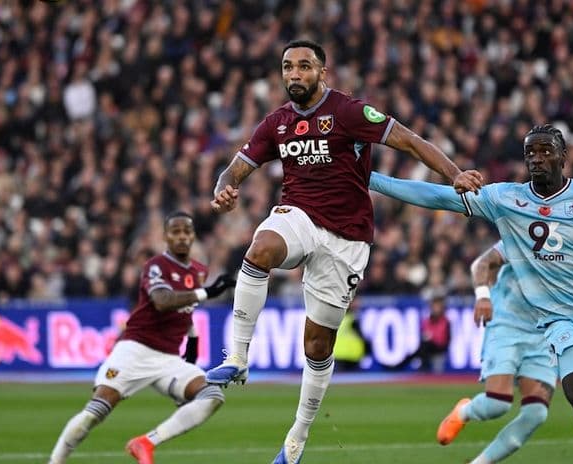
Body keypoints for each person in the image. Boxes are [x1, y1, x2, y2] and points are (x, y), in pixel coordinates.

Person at [205, 38, 484, 464]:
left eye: (303, 66)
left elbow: (409, 141)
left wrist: (454, 173)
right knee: (260, 248)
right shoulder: (276, 123)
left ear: (323, 72)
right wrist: (224, 186)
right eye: (287, 67)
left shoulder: (350, 112)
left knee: (316, 347)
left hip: (347, 240)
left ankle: (297, 438)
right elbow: (237, 167)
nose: (294, 74)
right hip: (298, 216)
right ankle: (238, 357)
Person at [368, 124, 573, 464]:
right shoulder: (506, 199)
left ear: (565, 157)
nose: (537, 158)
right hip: (566, 326)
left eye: (546, 151)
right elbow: (434, 197)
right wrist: (367, 177)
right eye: (530, 152)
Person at [48, 212, 235, 464]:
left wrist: (191, 346)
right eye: (175, 231)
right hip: (134, 350)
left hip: (167, 359)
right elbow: (162, 302)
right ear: (165, 237)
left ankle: (146, 442)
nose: (181, 236)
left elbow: (186, 311)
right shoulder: (156, 266)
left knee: (212, 396)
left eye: (186, 232)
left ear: (193, 237)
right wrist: (208, 292)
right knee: (95, 413)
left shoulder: (198, 271)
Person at [436, 241, 556, 463]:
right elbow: (481, 264)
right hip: (507, 324)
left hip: (544, 333)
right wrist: (483, 296)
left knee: (536, 413)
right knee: (497, 404)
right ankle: (464, 411)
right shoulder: (526, 230)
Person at [393, 288, 451, 373]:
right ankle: (416, 365)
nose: (436, 308)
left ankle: (404, 365)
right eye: (434, 306)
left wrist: (431, 336)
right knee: (423, 346)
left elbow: (443, 340)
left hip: (439, 348)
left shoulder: (445, 321)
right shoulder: (427, 320)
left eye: (438, 306)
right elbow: (424, 334)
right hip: (427, 348)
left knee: (423, 347)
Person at [332, 300, 370, 372]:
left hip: (338, 354)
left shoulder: (336, 318)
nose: (357, 304)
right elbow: (362, 337)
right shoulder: (353, 319)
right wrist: (367, 349)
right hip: (352, 355)